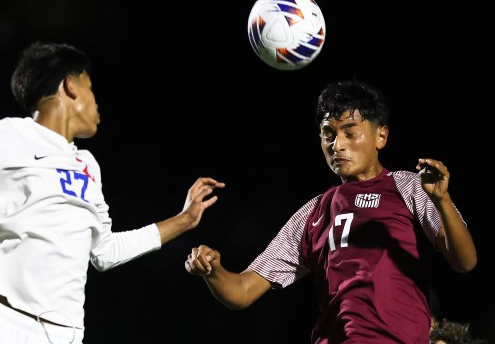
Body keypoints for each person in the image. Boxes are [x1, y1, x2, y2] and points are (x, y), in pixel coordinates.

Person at [0, 42, 225, 343]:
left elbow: (104, 252)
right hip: (2, 326)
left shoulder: (87, 164)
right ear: (70, 85)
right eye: (91, 88)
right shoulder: (13, 135)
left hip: (62, 336)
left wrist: (184, 220)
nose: (97, 101)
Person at [185, 79, 477, 343]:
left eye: (350, 133)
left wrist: (441, 200)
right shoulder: (313, 212)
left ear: (381, 137)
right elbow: (244, 290)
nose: (337, 145)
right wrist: (214, 272)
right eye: (328, 134)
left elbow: (465, 261)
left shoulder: (410, 188)